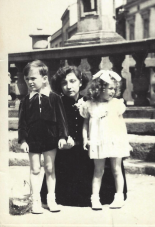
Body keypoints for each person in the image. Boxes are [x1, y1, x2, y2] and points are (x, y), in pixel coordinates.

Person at [18, 60, 68, 214]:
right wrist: (23, 140)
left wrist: (63, 136)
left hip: (50, 139)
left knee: (49, 168)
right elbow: (22, 123)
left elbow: (62, 119)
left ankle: (51, 199)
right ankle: (35, 201)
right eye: (27, 79)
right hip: (33, 140)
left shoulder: (54, 98)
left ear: (45, 78)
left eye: (33, 78)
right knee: (34, 169)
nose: (30, 82)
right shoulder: (25, 101)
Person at [40, 65, 92, 207]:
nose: (68, 86)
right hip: (64, 150)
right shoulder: (56, 103)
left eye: (72, 81)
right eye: (64, 83)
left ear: (80, 82)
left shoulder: (89, 102)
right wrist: (62, 138)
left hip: (85, 149)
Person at [80, 70, 130, 210]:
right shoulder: (90, 104)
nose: (113, 92)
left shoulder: (116, 104)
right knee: (98, 170)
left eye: (114, 89)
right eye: (110, 88)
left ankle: (119, 196)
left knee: (116, 169)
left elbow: (121, 124)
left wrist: (123, 141)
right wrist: (85, 138)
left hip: (114, 140)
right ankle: (95, 198)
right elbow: (85, 124)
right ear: (99, 88)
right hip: (97, 141)